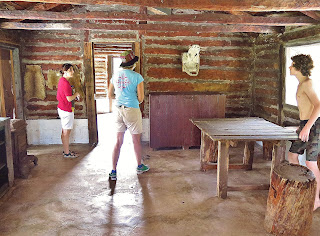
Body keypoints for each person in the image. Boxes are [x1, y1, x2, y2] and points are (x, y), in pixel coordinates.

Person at [108, 50, 149, 180]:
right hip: (132, 109)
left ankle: (113, 171)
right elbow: (141, 98)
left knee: (118, 141)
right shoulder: (137, 77)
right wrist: (132, 99)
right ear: (133, 63)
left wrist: (119, 97)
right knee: (136, 140)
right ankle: (139, 166)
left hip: (118, 109)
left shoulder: (115, 76)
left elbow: (109, 95)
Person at [287, 54, 320, 211]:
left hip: (314, 126)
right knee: (292, 156)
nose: (290, 67)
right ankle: (303, 187)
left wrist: (307, 127)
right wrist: (302, 125)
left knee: (310, 162)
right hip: (305, 124)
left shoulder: (307, 83)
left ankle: (315, 200)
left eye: (292, 65)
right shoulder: (301, 84)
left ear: (299, 67)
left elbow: (318, 106)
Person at [57, 64, 80, 158]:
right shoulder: (65, 83)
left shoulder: (61, 80)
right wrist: (76, 94)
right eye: (71, 70)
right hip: (66, 110)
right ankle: (67, 153)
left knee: (64, 131)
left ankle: (66, 150)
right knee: (66, 133)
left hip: (61, 108)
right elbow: (69, 98)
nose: (73, 72)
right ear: (65, 71)